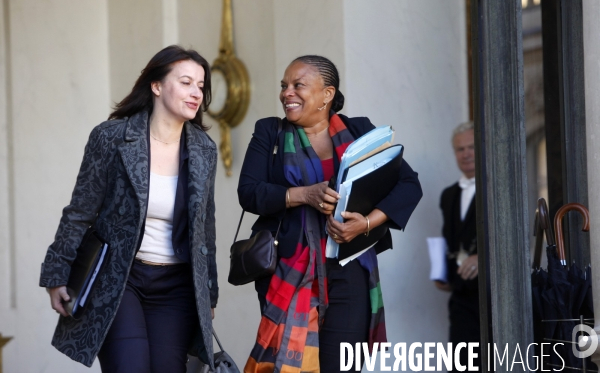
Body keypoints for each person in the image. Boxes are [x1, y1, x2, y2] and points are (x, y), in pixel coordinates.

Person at [39, 45, 219, 372]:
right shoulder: (112, 138)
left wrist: (210, 294)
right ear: (157, 86)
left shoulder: (204, 149)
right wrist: (56, 273)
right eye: (186, 82)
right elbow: (80, 211)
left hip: (176, 286)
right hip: (121, 279)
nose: (196, 93)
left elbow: (206, 227)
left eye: (201, 86)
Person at [238, 55, 422, 372]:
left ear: (327, 94)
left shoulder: (359, 131)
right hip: (289, 271)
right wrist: (302, 195)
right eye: (284, 86)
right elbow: (249, 192)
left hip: (350, 272)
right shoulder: (270, 133)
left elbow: (408, 184)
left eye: (298, 85)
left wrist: (365, 223)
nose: (286, 93)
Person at [435, 121, 480, 369]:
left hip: (493, 296)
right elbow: (448, 240)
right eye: (460, 149)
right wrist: (442, 272)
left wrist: (483, 258)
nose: (466, 154)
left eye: (472, 147)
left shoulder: (497, 189)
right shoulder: (448, 195)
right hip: (460, 297)